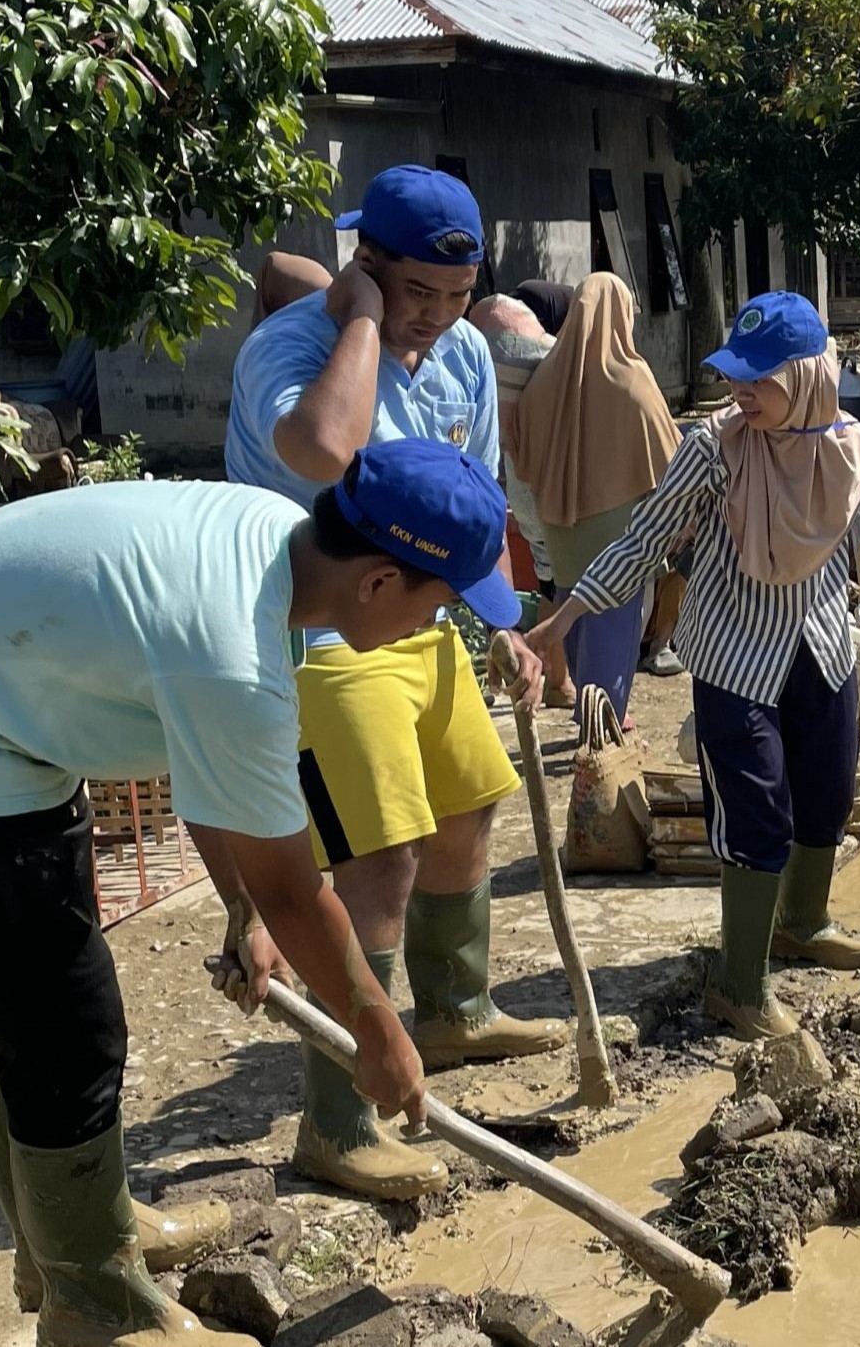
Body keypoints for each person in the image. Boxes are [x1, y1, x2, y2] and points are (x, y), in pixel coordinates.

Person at [0, 443, 521, 1347]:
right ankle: (92, 1309)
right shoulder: (231, 647)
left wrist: (241, 908)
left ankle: (79, 1236)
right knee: (63, 1026)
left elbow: (214, 769)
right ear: (379, 583)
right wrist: (380, 1034)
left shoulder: (274, 543)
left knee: (40, 1013)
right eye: (440, 602)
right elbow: (299, 889)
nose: (436, 626)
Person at [225, 164, 564, 1201]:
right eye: (417, 294)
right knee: (376, 856)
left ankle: (453, 1010)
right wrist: (365, 323)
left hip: (420, 623)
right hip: (325, 633)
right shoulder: (289, 354)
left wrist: (499, 620)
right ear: (364, 264)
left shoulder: (461, 353)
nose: (440, 320)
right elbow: (326, 447)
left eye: (458, 299)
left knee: (467, 810)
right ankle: (338, 1118)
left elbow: (475, 493)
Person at [529, 293, 860, 1039]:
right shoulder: (714, 448)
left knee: (826, 792)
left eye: (759, 379)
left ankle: (803, 922)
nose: (739, 392)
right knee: (756, 813)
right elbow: (643, 540)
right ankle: (739, 983)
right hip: (733, 654)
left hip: (819, 645)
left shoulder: (854, 448)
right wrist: (567, 615)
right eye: (735, 376)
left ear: (807, 376)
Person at [509, 272, 682, 721]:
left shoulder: (544, 378)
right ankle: (604, 728)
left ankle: (593, 709)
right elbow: (673, 459)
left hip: (561, 533)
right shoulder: (631, 379)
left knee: (578, 626)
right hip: (620, 541)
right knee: (616, 632)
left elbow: (521, 452)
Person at [467, 295, 560, 611]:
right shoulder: (559, 365)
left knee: (550, 584)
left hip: (532, 510)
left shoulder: (481, 353)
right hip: (553, 517)